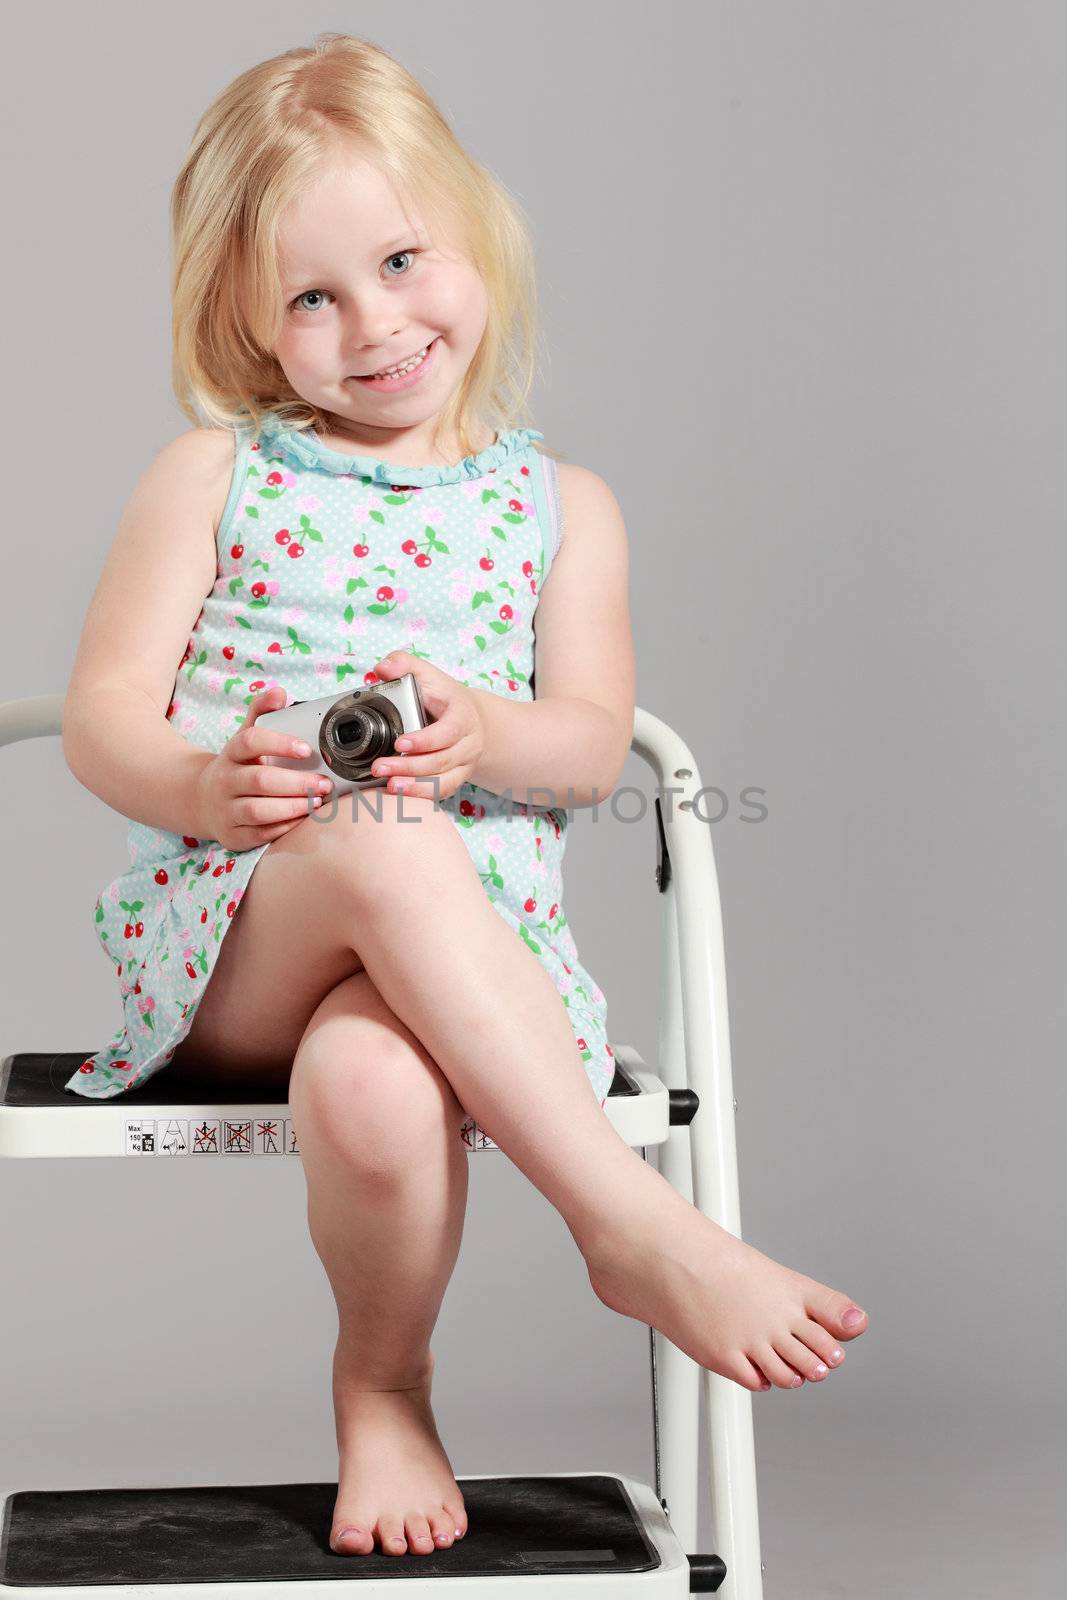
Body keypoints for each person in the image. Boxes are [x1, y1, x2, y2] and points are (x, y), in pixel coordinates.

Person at [60, 32, 869, 1562]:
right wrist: (204, 781)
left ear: (472, 232)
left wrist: (484, 732)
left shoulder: (562, 509)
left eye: (401, 260)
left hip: (472, 964)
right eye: (312, 297)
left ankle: (385, 1385)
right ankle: (630, 1230)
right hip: (244, 941)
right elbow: (104, 718)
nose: (374, 325)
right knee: (372, 831)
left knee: (373, 1081)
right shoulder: (211, 477)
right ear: (245, 321)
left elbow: (586, 746)